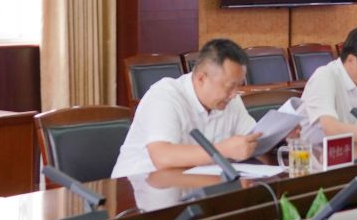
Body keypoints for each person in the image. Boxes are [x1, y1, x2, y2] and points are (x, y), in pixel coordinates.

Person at [111, 37, 258, 177]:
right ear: (201, 78)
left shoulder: (230, 99)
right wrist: (223, 150)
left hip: (193, 183)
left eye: (238, 86)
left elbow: (253, 139)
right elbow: (162, 157)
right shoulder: (165, 95)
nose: (234, 94)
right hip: (135, 186)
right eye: (229, 86)